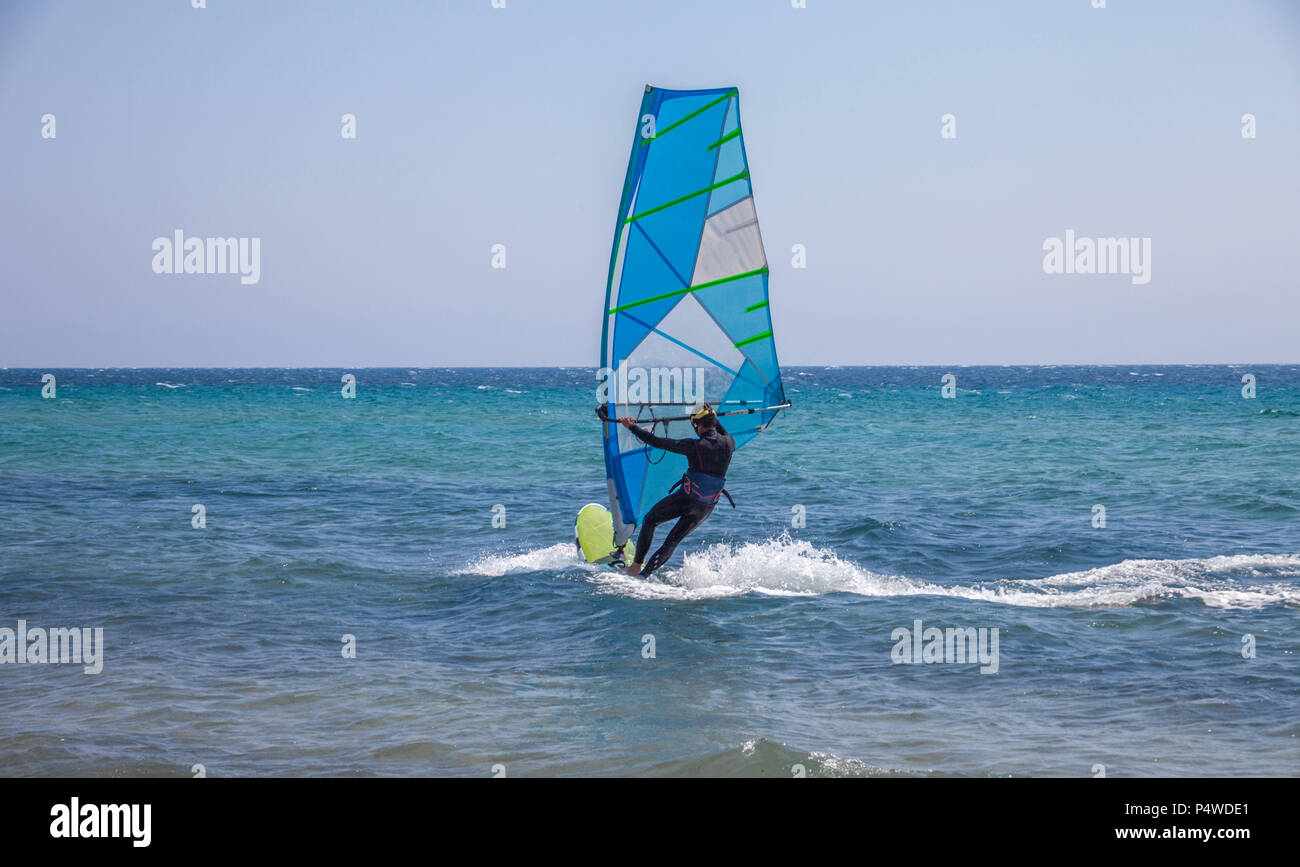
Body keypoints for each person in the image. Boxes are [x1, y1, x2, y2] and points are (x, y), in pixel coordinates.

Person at [614, 405, 735, 578]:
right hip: (706, 506)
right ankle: (643, 576)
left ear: (697, 425)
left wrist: (632, 427)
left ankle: (635, 568)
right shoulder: (730, 443)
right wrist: (710, 414)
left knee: (650, 520)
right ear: (714, 422)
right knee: (672, 541)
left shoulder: (694, 445)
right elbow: (720, 429)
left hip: (686, 499)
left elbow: (657, 442)